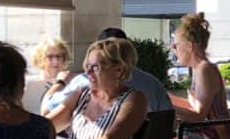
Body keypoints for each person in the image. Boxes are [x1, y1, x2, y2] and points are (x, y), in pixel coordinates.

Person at [45, 38, 148, 139]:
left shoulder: (134, 99)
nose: (88, 73)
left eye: (95, 67)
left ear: (119, 69)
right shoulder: (82, 94)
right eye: (87, 67)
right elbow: (48, 125)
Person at [41, 27, 171, 114]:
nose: (90, 71)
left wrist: (60, 82)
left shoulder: (85, 82)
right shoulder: (152, 82)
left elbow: (46, 110)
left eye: (95, 65)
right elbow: (169, 122)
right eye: (89, 66)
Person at [171, 13, 230, 139]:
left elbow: (198, 115)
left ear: (190, 46)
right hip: (209, 135)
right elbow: (196, 107)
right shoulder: (200, 69)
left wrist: (168, 105)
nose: (173, 49)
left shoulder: (205, 69)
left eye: (175, 45)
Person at [23, 37, 71, 114]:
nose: (55, 61)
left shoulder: (73, 82)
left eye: (59, 56)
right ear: (39, 58)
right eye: (50, 57)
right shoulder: (27, 84)